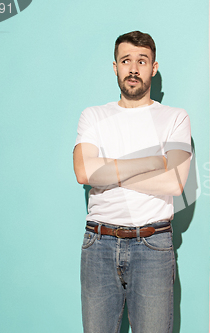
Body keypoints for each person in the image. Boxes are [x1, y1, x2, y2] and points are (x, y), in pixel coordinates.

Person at [73, 31, 192, 333]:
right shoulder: (93, 115)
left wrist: (110, 173)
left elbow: (176, 182)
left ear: (154, 67)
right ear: (115, 67)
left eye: (142, 61)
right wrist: (153, 162)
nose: (134, 68)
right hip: (99, 244)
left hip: (153, 245)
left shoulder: (175, 118)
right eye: (126, 61)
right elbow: (84, 173)